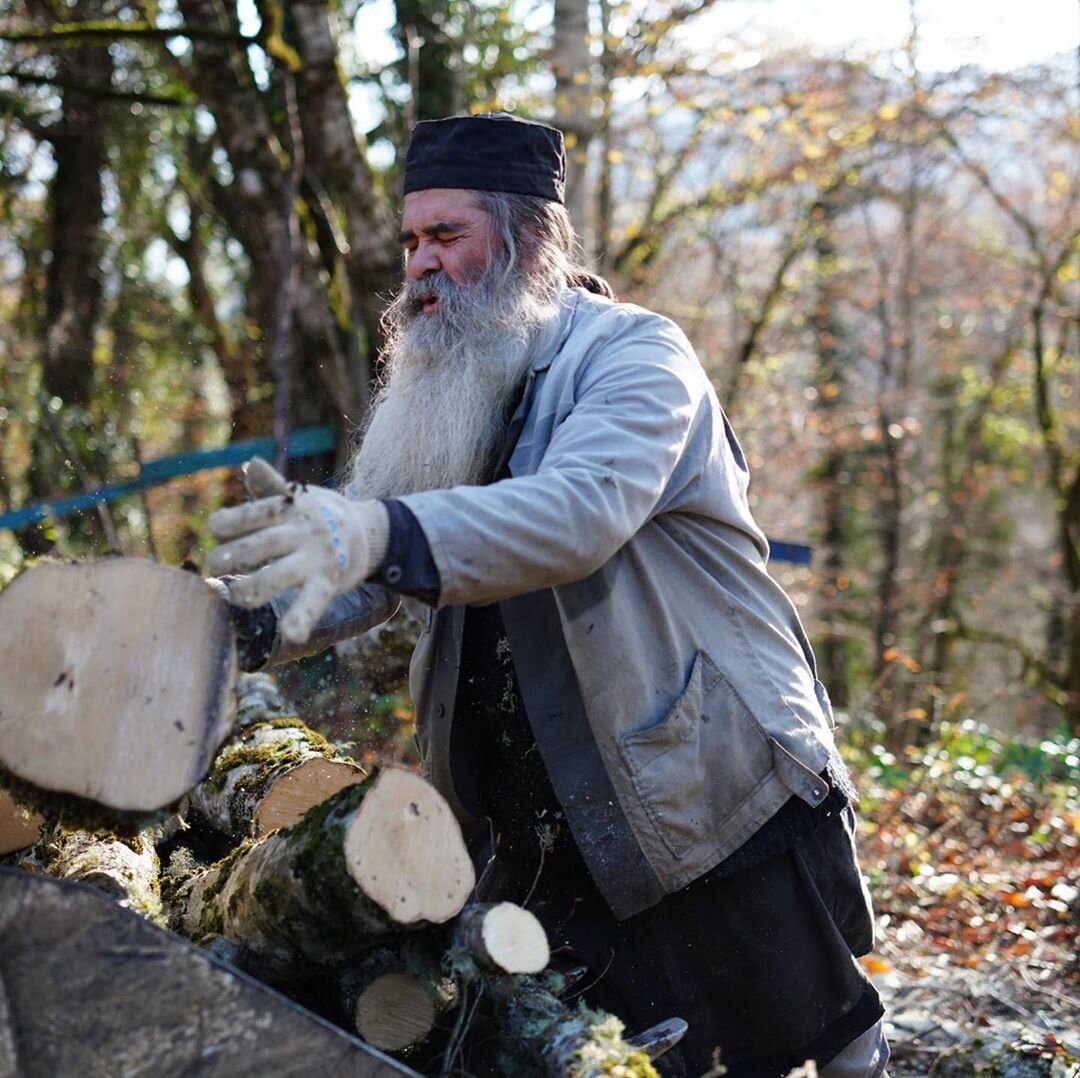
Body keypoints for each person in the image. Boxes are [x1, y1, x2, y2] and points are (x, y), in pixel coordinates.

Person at [207, 113, 889, 1077]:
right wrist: (233, 624)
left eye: (448, 236)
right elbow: (368, 558)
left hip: (697, 780)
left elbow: (577, 515)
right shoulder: (450, 376)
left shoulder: (637, 360)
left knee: (816, 1038)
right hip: (534, 812)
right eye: (410, 240)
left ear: (528, 239)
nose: (420, 267)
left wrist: (373, 530)